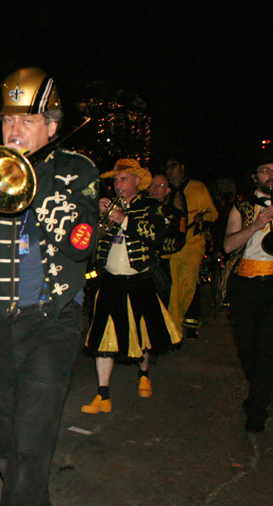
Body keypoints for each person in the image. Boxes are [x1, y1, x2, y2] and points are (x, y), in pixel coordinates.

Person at [0, 68, 100, 506]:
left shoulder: (76, 169)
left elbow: (80, 243)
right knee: (8, 454)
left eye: (27, 120)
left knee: (32, 451)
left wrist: (34, 179)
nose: (14, 131)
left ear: (51, 126)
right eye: (8, 120)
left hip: (52, 324)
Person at [83, 160, 182, 414]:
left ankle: (144, 373)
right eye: (115, 181)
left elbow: (157, 237)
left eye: (123, 179)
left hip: (140, 279)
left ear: (138, 181)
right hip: (111, 280)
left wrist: (122, 218)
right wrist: (95, 215)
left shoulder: (152, 207)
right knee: (103, 336)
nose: (118, 185)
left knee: (143, 332)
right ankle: (102, 395)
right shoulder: (108, 206)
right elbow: (89, 241)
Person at [218, 150, 273, 433]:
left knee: (270, 348)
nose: (272, 176)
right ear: (255, 176)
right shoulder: (241, 208)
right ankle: (258, 390)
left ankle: (258, 408)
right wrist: (256, 225)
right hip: (245, 285)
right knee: (247, 347)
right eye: (265, 171)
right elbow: (228, 247)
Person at [165, 155, 218, 339]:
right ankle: (173, 327)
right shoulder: (166, 190)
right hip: (172, 245)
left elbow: (213, 214)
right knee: (173, 286)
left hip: (192, 243)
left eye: (173, 166)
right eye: (167, 167)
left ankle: (178, 324)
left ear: (182, 167)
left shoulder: (197, 188)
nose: (169, 171)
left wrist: (201, 219)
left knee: (187, 283)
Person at [147, 172, 186, 305]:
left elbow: (179, 241)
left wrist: (156, 246)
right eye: (153, 185)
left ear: (168, 190)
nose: (155, 188)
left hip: (161, 266)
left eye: (160, 185)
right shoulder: (139, 210)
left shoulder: (175, 214)